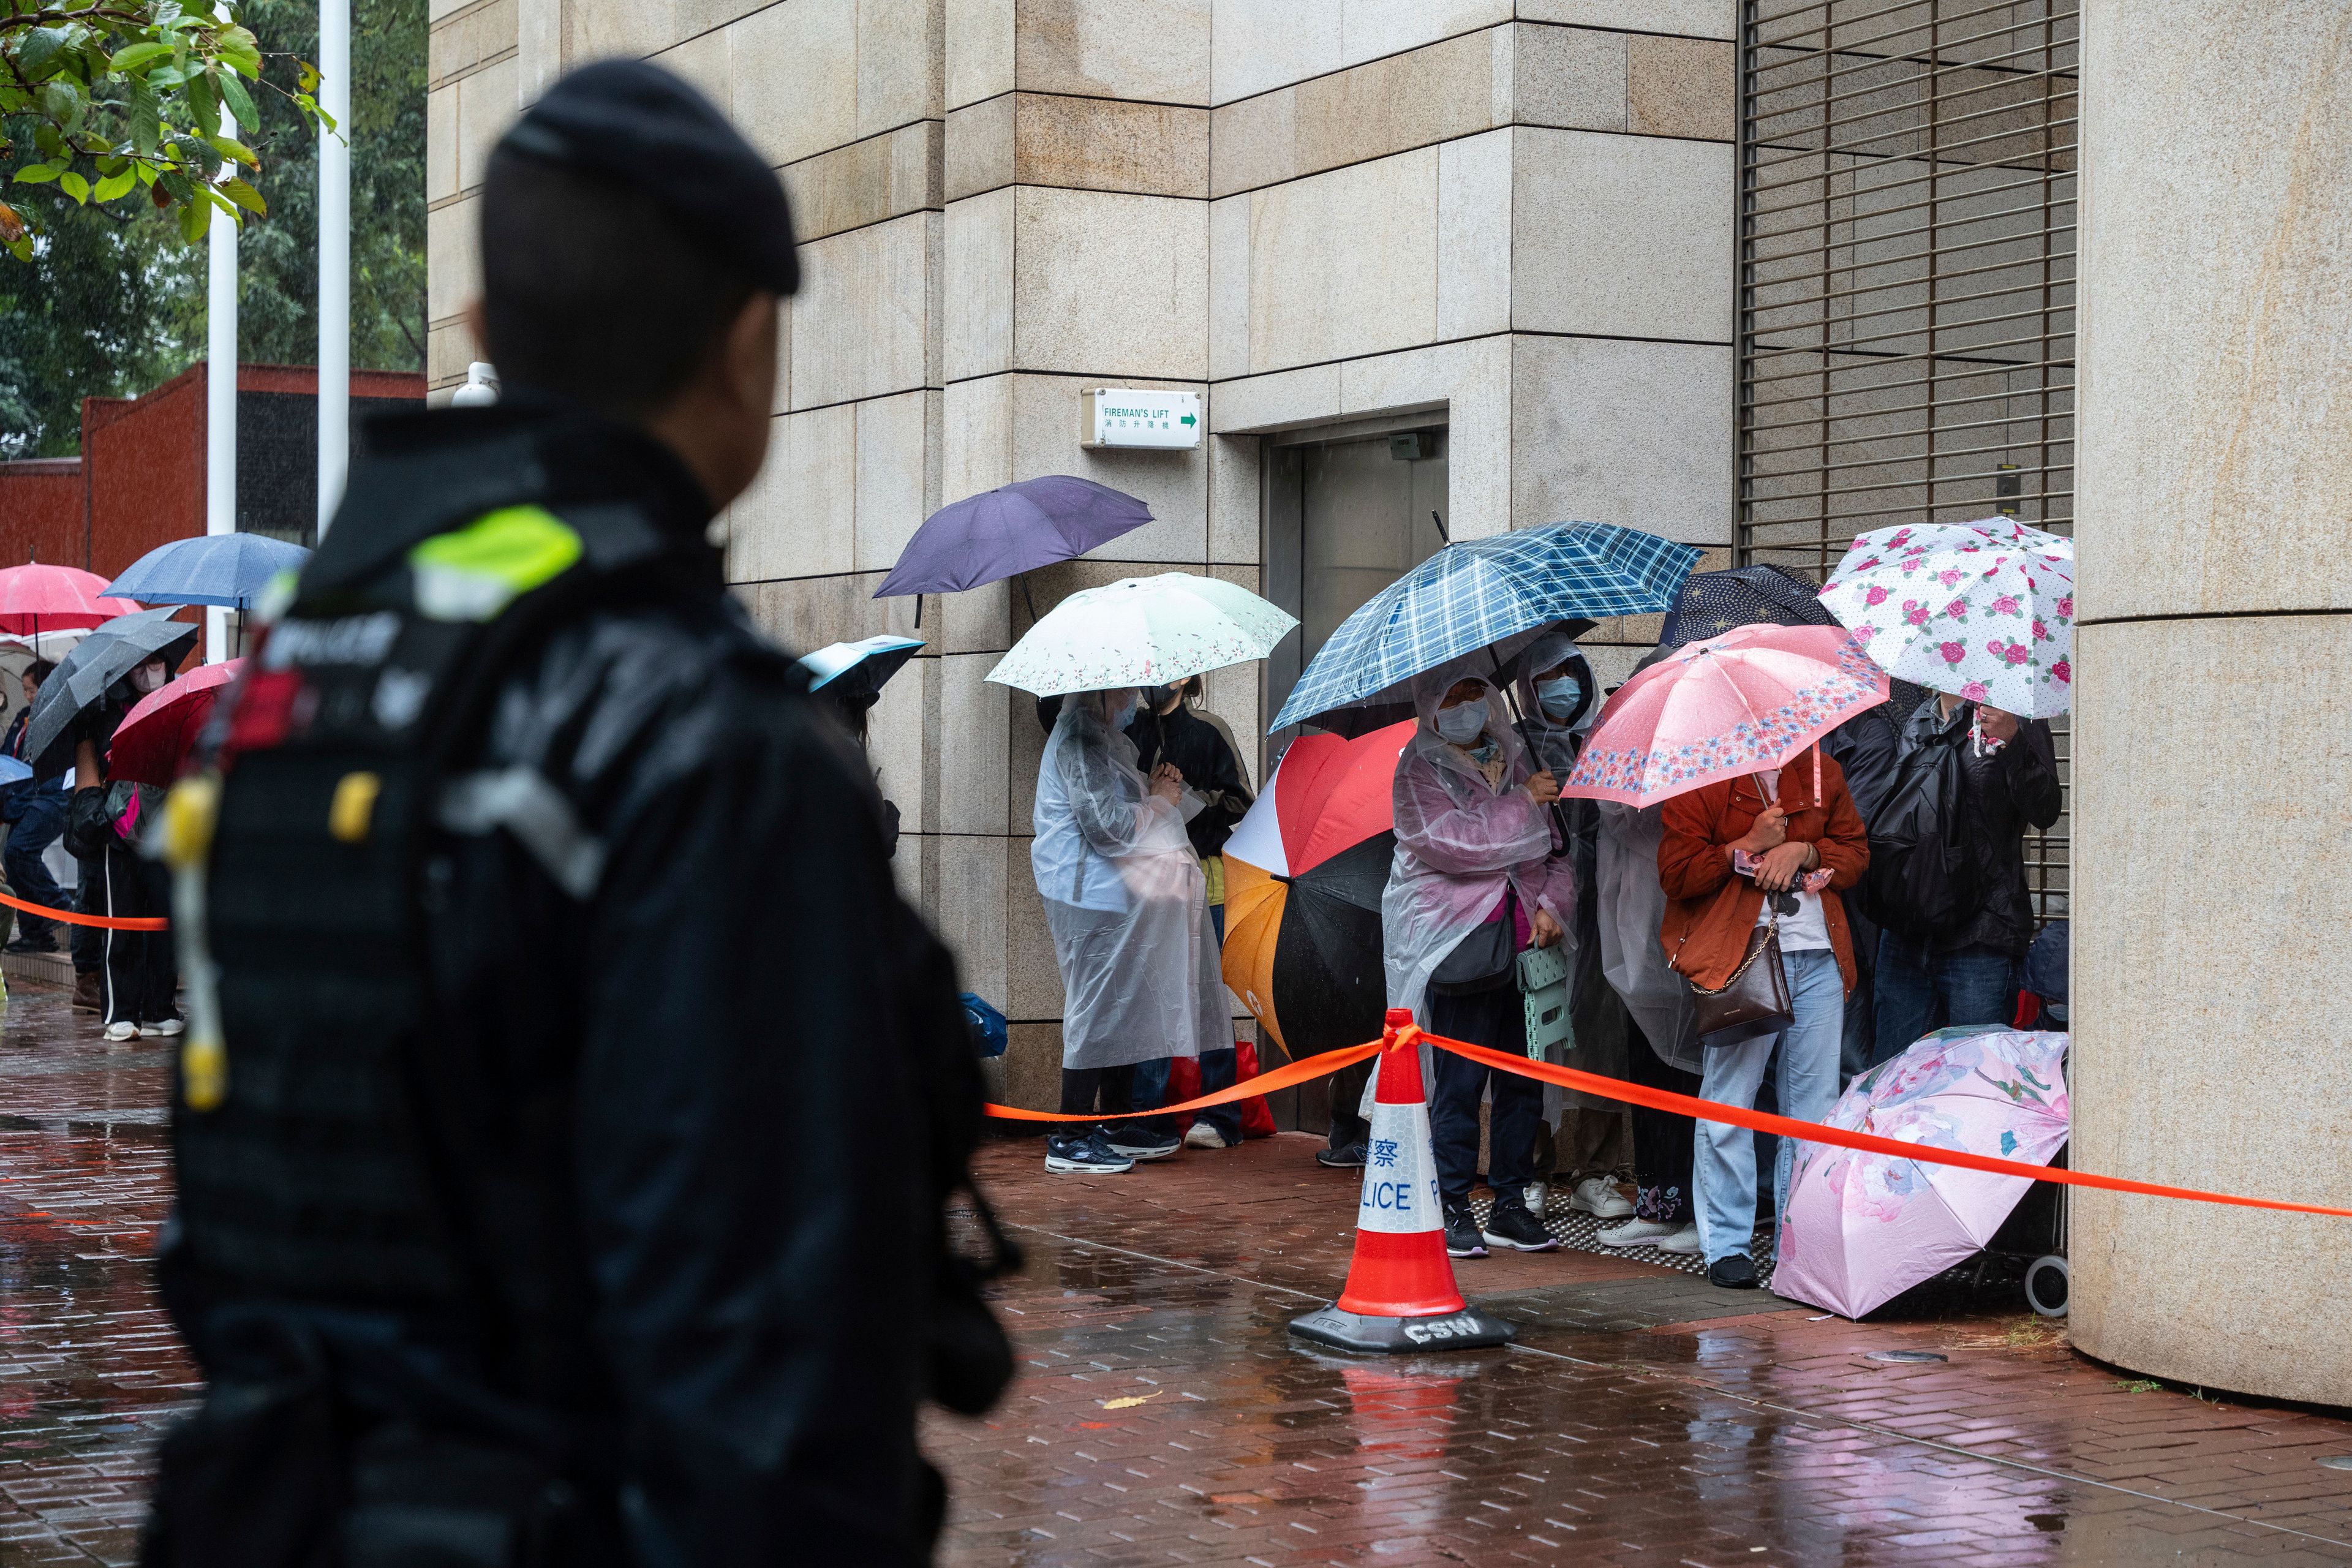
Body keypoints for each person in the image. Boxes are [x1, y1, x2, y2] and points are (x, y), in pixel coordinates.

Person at [146, 61, 1008, 1566]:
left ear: (481, 335)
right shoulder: (699, 735)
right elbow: (770, 1403)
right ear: (749, 340)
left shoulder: (284, 693)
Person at [1383, 660, 1575, 1261]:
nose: (1466, 706)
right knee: (1460, 1082)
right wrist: (1522, 804)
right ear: (1430, 705)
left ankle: (1512, 1201)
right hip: (1459, 943)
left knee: (1524, 1080)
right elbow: (1455, 845)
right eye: (1452, 697)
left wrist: (1552, 906)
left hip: (1528, 944)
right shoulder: (1417, 769)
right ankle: (1453, 1201)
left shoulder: (1518, 755)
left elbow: (1560, 850)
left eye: (1474, 693)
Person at [1658, 744, 1868, 1289]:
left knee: (1814, 1107)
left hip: (1820, 953)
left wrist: (1805, 852)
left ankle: (1799, 1243)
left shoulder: (1822, 769)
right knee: (1731, 1100)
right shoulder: (1698, 773)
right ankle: (1726, 1244)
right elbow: (1676, 875)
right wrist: (1746, 845)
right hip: (1741, 956)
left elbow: (1855, 852)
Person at [1033, 686, 1232, 1175]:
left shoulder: (1101, 740)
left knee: (1122, 1004)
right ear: (1097, 693)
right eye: (1122, 691)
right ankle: (1072, 1136)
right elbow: (1107, 827)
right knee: (1097, 1005)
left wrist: (1154, 787)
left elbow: (1119, 807)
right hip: (1089, 893)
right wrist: (1161, 803)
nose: (1130, 701)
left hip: (1111, 892)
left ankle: (1118, 1125)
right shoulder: (1079, 741)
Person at [1507, 630, 1635, 1226]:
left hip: (1609, 910)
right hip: (1545, 917)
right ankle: (1534, 1166)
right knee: (1540, 1038)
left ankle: (1597, 1169)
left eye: (1566, 674)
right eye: (1541, 680)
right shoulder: (1513, 749)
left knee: (1602, 1040)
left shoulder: (1607, 738)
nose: (1557, 688)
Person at [1871, 694, 2062, 1064]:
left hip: (1982, 929)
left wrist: (2014, 744)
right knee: (1891, 1071)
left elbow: (2046, 810)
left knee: (1977, 1069)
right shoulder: (1921, 718)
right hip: (1909, 924)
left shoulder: (2014, 714)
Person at [1125, 676, 1254, 1151]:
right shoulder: (1127, 732)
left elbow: (1242, 797)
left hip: (1204, 873)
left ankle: (1221, 1114)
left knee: (1208, 997)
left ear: (1186, 675)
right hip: (1146, 877)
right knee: (1149, 996)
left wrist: (1196, 800)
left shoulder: (1209, 729)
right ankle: (1148, 1113)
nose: (1155, 680)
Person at [1593, 796, 1705, 1256]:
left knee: (1697, 1082)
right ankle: (1655, 1205)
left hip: (1691, 937)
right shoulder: (1626, 792)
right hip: (1636, 946)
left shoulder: (1699, 780)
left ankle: (1703, 1210)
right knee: (1648, 1074)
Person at [63, 654, 177, 1042]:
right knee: (121, 923)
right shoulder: (105, 713)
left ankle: (161, 1008)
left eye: (158, 663)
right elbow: (90, 766)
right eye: (141, 666)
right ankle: (121, 1013)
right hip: (121, 830)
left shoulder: (178, 702)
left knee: (165, 923)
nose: (149, 673)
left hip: (167, 827)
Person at [1, 660, 70, 955]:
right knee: (12, 857)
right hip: (22, 798)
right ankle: (35, 932)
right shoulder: (23, 717)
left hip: (51, 795)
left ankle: (59, 905)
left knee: (19, 849)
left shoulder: (61, 716)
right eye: (25, 690)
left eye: (32, 690)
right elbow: (9, 754)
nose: (28, 696)